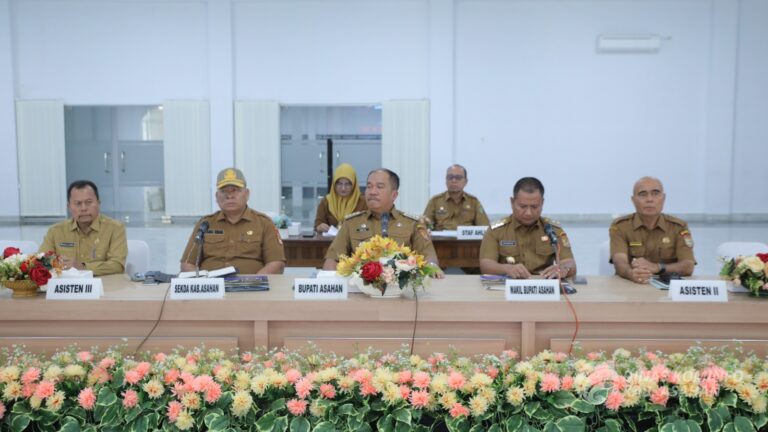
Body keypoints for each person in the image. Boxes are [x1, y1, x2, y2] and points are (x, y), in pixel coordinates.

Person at [323, 168, 444, 278]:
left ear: (394, 195)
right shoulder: (351, 223)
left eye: (379, 187)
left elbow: (429, 256)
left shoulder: (412, 223)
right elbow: (332, 259)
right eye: (369, 186)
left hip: (401, 289)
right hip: (360, 287)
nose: (372, 192)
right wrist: (331, 281)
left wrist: (432, 267)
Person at [180, 168, 285, 274]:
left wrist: (255, 281)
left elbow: (276, 263)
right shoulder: (205, 224)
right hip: (211, 283)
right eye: (223, 191)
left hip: (250, 283)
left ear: (247, 194)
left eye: (235, 190)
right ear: (216, 196)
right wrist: (200, 282)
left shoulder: (264, 223)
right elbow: (187, 262)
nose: (229, 195)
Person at [479, 177, 576, 279]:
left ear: (542, 203)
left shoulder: (553, 230)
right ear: (512, 202)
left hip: (543, 284)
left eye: (534, 207)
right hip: (509, 283)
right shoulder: (496, 231)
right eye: (522, 206)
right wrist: (506, 269)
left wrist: (564, 268)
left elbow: (570, 263)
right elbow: (486, 265)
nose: (528, 213)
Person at [610, 176, 695, 284]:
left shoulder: (678, 227)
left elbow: (688, 266)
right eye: (643, 194)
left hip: (668, 287)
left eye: (655, 193)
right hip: (633, 285)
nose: (649, 199)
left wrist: (657, 267)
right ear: (633, 200)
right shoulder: (621, 226)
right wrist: (631, 274)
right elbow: (619, 262)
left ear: (663, 198)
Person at [39, 180, 127, 276]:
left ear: (98, 203)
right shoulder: (55, 231)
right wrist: (55, 264)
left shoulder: (115, 228)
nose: (83, 208)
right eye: (78, 203)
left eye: (89, 202)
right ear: (69, 206)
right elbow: (41, 262)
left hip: (104, 283)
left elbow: (117, 265)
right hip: (67, 284)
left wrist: (83, 267)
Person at [423, 164, 489, 230]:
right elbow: (425, 226)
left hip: (466, 237)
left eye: (458, 178)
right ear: (446, 180)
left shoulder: (473, 202)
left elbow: (485, 227)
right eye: (450, 177)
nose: (453, 180)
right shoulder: (435, 201)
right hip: (441, 236)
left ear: (465, 182)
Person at [314, 163, 367, 233]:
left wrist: (357, 230)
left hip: (356, 239)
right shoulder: (326, 201)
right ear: (334, 184)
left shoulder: (363, 201)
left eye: (347, 184)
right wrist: (320, 227)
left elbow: (369, 227)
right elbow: (317, 225)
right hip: (331, 240)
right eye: (339, 183)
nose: (343, 188)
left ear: (354, 184)